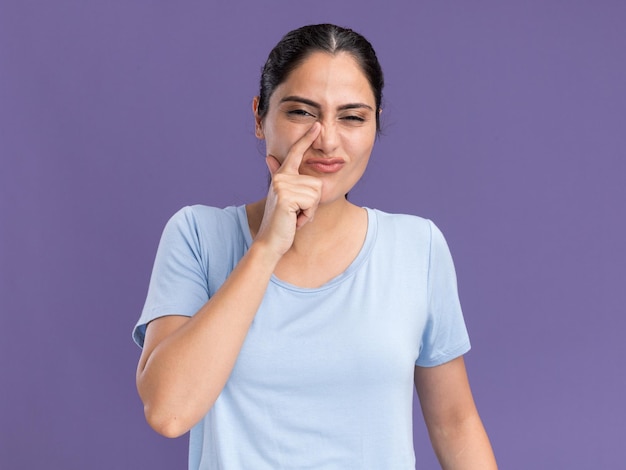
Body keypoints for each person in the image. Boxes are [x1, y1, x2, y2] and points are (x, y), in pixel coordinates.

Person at [133, 23, 497, 469]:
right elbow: (169, 412)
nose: (326, 139)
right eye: (302, 112)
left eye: (352, 117)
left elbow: (454, 422)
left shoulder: (418, 247)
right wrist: (266, 247)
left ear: (376, 123)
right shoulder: (197, 235)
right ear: (258, 116)